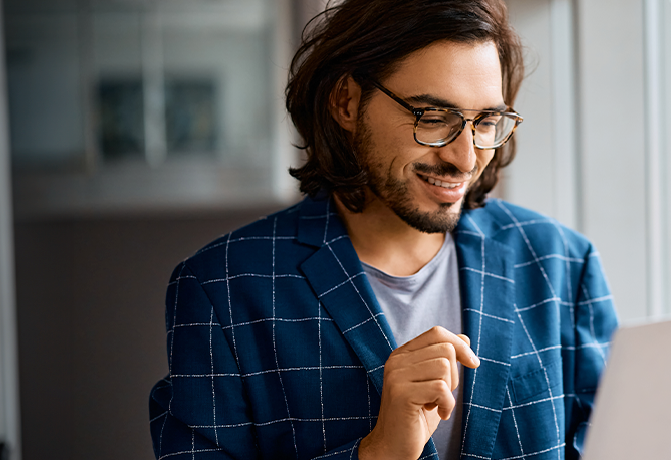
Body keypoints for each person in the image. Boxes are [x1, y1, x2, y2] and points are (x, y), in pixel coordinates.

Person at [146, 1, 618, 458]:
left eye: (486, 121)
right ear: (347, 103)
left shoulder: (562, 262)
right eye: (433, 119)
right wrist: (380, 454)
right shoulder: (221, 288)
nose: (465, 158)